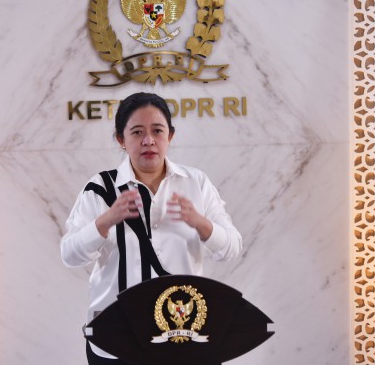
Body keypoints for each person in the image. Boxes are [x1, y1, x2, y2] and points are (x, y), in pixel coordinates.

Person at [60, 92, 242, 364]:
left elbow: (231, 248)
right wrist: (106, 220)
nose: (148, 140)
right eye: (137, 132)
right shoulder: (100, 188)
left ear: (170, 135)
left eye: (157, 130)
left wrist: (200, 223)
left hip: (183, 337)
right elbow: (70, 255)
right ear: (121, 139)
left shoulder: (196, 183)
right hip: (116, 340)